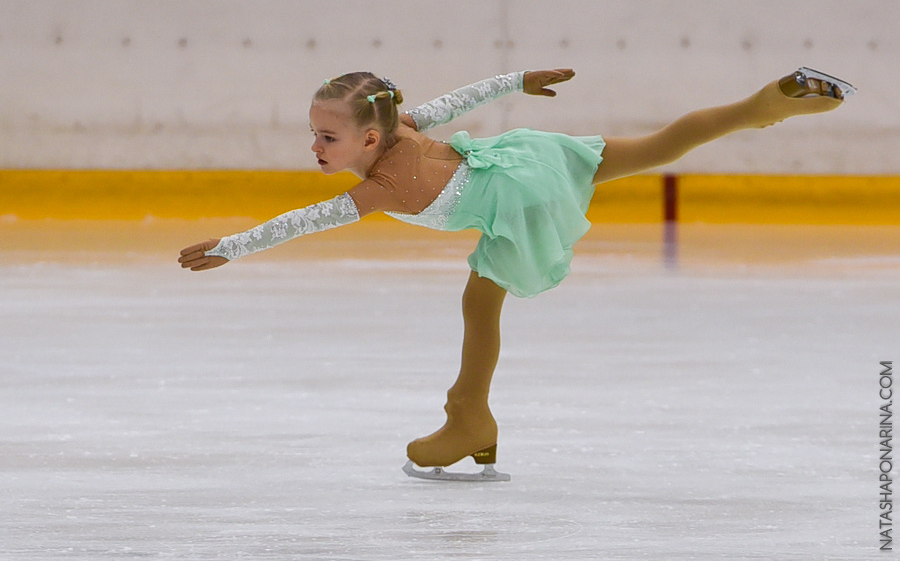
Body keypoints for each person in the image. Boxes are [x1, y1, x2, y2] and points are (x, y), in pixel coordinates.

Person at [178, 66, 853, 481]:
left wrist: (233, 246)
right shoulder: (405, 120)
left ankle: (469, 415)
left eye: (327, 137)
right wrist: (519, 81)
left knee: (481, 303)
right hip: (529, 156)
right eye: (315, 131)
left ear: (371, 139)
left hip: (518, 198)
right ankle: (760, 106)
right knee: (655, 147)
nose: (315, 146)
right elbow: (465, 95)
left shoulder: (381, 184)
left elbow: (307, 220)